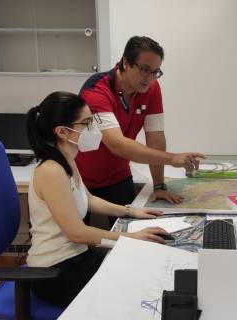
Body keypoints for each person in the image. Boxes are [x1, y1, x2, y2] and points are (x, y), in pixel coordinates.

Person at [25, 91, 169, 307]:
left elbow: (88, 199)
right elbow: (76, 232)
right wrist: (131, 237)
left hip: (77, 257)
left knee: (141, 266)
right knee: (138, 289)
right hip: (55, 272)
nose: (94, 128)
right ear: (63, 132)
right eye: (87, 123)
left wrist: (131, 211)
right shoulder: (51, 171)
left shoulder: (67, 160)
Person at [77, 36, 205, 226]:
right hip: (81, 178)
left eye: (156, 72)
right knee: (76, 246)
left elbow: (156, 138)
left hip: (118, 176)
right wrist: (172, 158)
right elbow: (117, 144)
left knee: (131, 233)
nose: (150, 78)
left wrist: (159, 185)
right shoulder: (96, 91)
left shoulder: (151, 88)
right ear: (126, 62)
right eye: (145, 70)